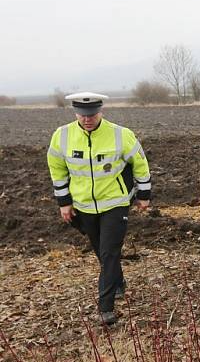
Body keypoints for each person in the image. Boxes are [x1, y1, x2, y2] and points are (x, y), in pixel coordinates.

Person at [47, 92, 151, 325]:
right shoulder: (61, 136)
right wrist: (64, 203)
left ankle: (106, 309)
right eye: (83, 115)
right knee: (101, 251)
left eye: (92, 114)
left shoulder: (120, 134)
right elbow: (57, 170)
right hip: (84, 206)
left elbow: (140, 164)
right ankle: (118, 283)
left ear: (100, 111)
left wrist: (144, 195)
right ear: (76, 113)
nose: (87, 119)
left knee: (109, 252)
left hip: (115, 203)